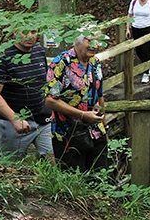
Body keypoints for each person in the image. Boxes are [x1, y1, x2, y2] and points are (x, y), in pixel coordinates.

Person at [45, 31, 109, 172]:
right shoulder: (61, 62)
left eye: (97, 42)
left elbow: (99, 95)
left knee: (101, 178)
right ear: (78, 42)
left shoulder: (95, 62)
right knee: (76, 182)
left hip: (96, 132)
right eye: (90, 41)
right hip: (68, 134)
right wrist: (82, 115)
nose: (95, 46)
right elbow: (50, 100)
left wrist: (105, 128)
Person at [0, 30, 54, 160]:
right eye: (23, 32)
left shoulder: (39, 51)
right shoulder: (2, 56)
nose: (29, 36)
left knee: (54, 160)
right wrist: (15, 119)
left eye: (33, 31)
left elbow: (44, 83)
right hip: (13, 123)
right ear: (14, 32)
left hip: (43, 118)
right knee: (10, 166)